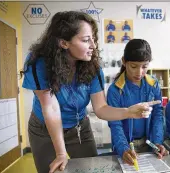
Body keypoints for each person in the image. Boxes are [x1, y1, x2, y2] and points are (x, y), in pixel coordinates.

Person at [20, 11, 160, 173]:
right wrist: (61, 153)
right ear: (64, 43)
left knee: (92, 169)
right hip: (44, 129)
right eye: (86, 40)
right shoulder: (38, 63)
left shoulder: (92, 67)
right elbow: (50, 108)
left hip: (79, 128)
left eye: (93, 38)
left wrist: (128, 112)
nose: (93, 45)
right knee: (53, 170)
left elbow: (100, 108)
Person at [107, 39, 168, 166]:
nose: (139, 72)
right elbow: (115, 124)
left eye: (144, 66)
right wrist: (123, 149)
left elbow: (157, 115)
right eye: (134, 66)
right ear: (124, 61)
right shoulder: (115, 90)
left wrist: (157, 142)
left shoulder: (153, 85)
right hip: (125, 146)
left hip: (149, 143)